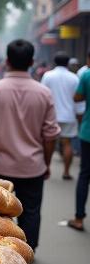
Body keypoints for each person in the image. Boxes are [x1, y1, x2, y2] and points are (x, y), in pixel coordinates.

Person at [0, 39, 60, 251]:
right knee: (31, 211)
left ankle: (2, 251)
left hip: (1, 166)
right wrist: (47, 163)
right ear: (32, 61)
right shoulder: (43, 93)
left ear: (6, 61)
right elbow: (50, 135)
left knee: (0, 213)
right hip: (33, 166)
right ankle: (28, 251)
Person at [41, 52, 80, 180]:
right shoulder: (74, 78)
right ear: (68, 63)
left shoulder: (48, 75)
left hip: (51, 115)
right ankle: (66, 172)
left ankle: (46, 168)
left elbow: (42, 95)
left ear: (55, 62)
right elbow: (78, 99)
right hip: (69, 115)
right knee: (67, 143)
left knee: (48, 141)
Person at [68, 69, 90, 231]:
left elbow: (77, 97)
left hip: (88, 133)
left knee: (85, 174)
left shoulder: (87, 75)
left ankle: (79, 218)